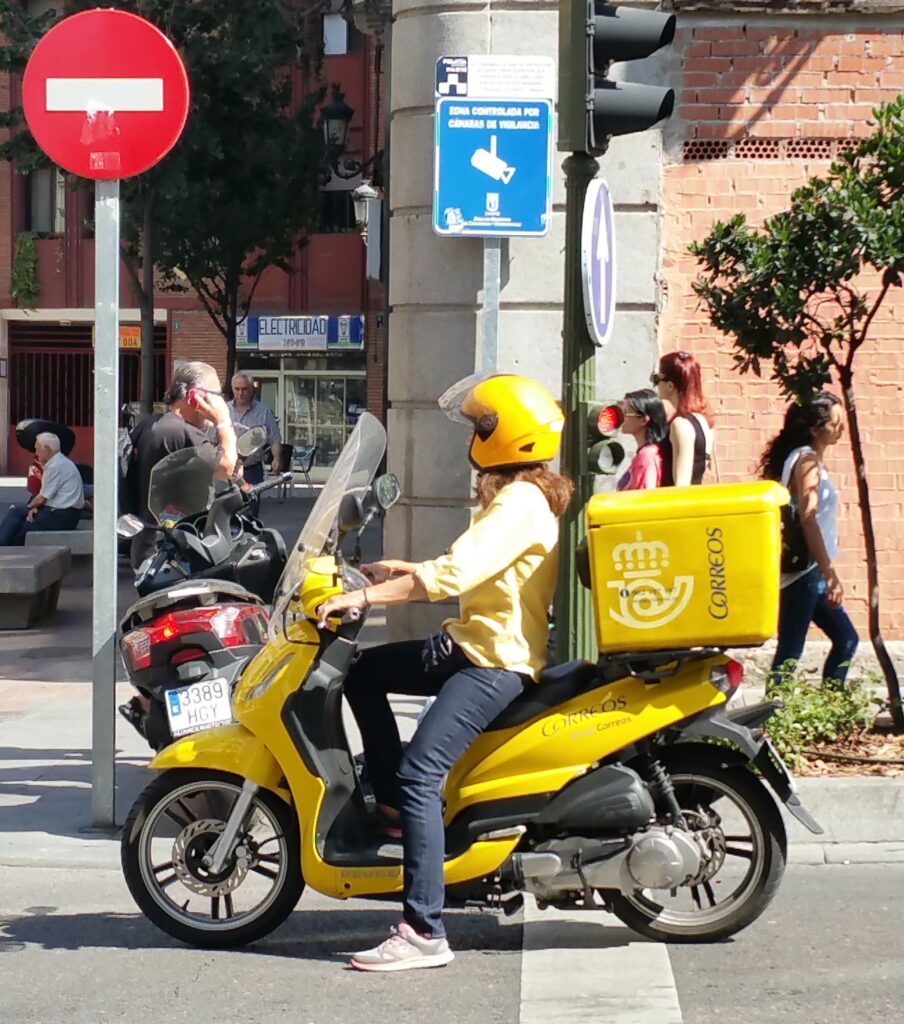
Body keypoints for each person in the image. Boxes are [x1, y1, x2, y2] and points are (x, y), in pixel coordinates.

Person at [316, 373, 573, 973]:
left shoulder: (519, 503)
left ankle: (424, 930)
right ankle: (393, 812)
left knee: (421, 773)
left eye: (480, 426)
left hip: (493, 663)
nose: (471, 437)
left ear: (502, 436)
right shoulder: (517, 498)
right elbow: (469, 568)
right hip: (469, 645)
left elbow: (454, 577)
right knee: (362, 673)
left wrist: (367, 601)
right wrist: (399, 569)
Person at [760, 392, 858, 688]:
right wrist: (829, 573)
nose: (841, 429)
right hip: (805, 572)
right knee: (791, 650)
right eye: (835, 423)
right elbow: (808, 516)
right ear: (816, 429)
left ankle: (830, 706)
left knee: (846, 639)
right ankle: (774, 717)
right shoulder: (806, 461)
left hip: (809, 571)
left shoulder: (803, 458)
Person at [126, 361, 238, 570]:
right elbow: (226, 469)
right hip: (170, 551)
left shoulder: (152, 424)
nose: (220, 402)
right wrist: (223, 422)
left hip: (150, 543)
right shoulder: (182, 432)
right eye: (216, 395)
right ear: (195, 396)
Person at [0, 433, 84, 546]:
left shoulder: (55, 466)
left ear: (47, 449)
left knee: (20, 522)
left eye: (38, 449)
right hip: (61, 512)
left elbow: (41, 499)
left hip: (61, 515)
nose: (36, 453)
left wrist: (31, 507)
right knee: (19, 518)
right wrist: (35, 508)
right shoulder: (60, 462)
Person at [652, 350, 715, 486]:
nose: (655, 386)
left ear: (670, 386)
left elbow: (681, 485)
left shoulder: (680, 424)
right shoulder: (702, 420)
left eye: (657, 380)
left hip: (676, 504)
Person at [227, 372, 283, 486]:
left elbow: (274, 439)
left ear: (252, 389)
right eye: (237, 389)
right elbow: (212, 440)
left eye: (244, 389)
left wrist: (276, 458)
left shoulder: (264, 412)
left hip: (252, 470)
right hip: (227, 469)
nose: (240, 393)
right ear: (232, 389)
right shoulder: (223, 410)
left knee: (252, 503)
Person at [615, 388, 668, 491]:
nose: (621, 417)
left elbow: (644, 499)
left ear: (643, 420)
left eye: (626, 413)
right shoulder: (648, 453)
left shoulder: (647, 456)